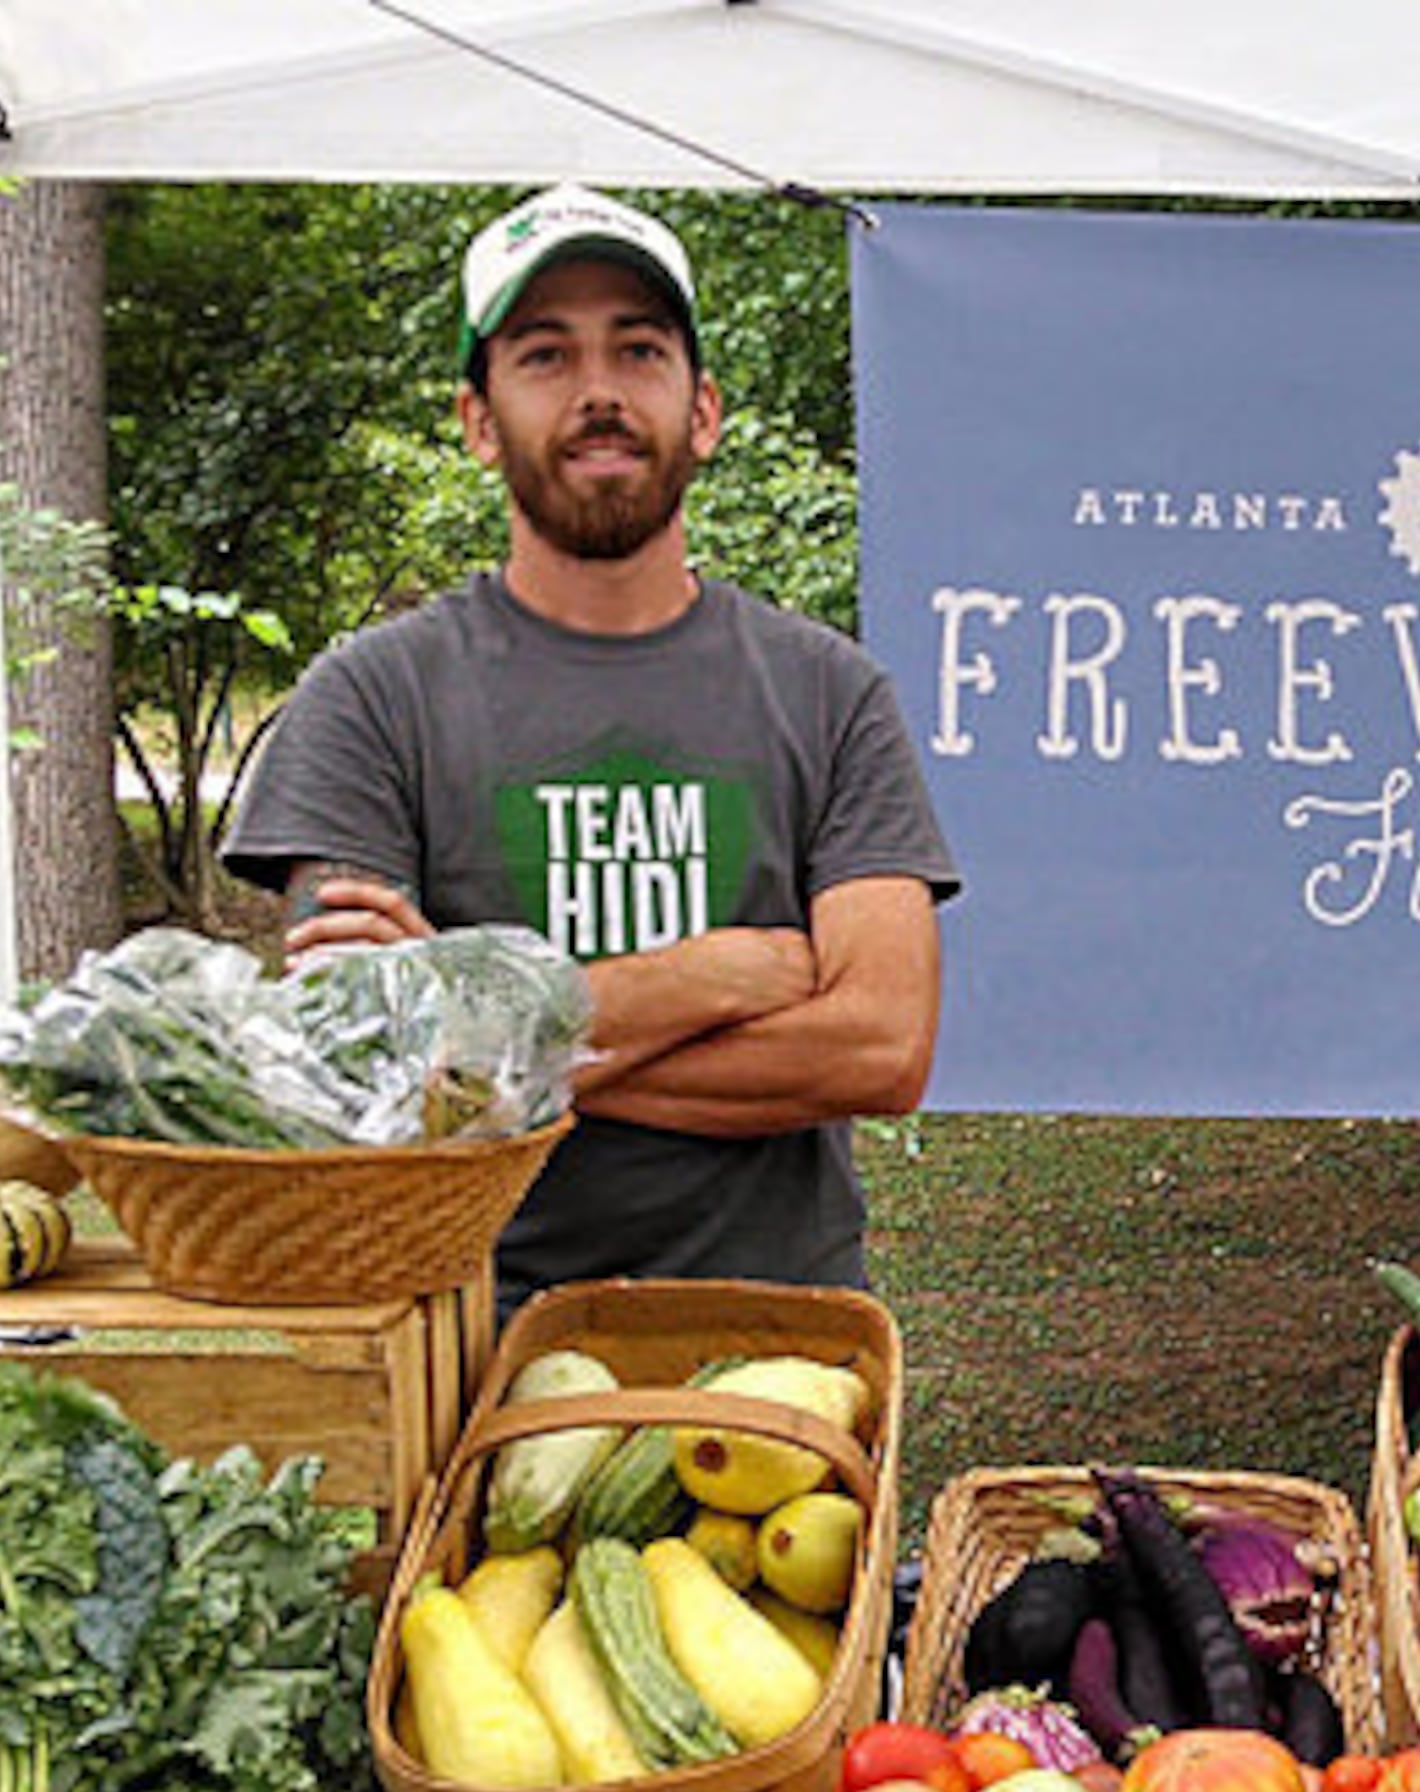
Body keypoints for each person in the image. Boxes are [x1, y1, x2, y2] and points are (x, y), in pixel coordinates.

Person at [225, 183, 959, 1309]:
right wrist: (710, 974)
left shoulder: (829, 691)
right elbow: (363, 1061)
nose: (601, 392)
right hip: (468, 1340)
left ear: (702, 409)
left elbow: (879, 1049)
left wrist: (488, 1045)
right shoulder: (370, 699)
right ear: (477, 420)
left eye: (640, 350)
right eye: (545, 356)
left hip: (785, 1347)